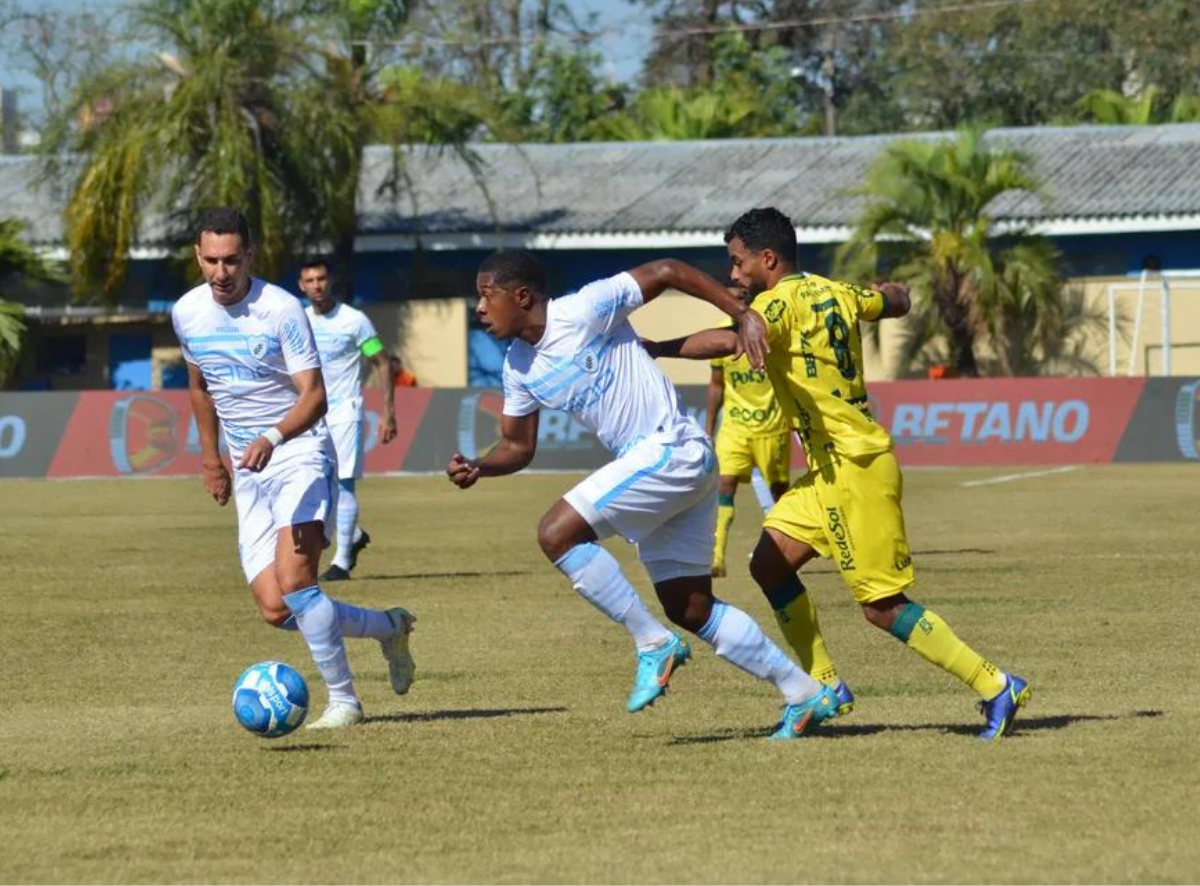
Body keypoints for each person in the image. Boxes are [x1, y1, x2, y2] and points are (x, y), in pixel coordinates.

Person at [649, 207, 1031, 740]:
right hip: (830, 470)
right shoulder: (840, 291)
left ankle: (995, 685)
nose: (733, 276)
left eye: (737, 264)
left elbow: (734, 339)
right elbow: (894, 301)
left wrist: (656, 350)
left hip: (855, 469)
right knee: (768, 566)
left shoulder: (776, 303)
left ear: (767, 259)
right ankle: (826, 684)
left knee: (881, 608)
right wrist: (895, 293)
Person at [446, 249, 840, 739]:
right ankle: (804, 693)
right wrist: (482, 465)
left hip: (668, 447)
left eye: (487, 296)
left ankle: (652, 642)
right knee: (690, 608)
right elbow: (517, 445)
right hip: (669, 464)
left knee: (556, 534)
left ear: (521, 296)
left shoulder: (585, 308)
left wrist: (744, 314)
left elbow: (668, 271)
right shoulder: (518, 368)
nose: (479, 308)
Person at [172, 208, 415, 730]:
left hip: (299, 448)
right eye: (211, 260)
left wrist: (274, 436)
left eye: (232, 260)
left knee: (299, 583)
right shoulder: (187, 313)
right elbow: (199, 387)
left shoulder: (286, 311)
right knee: (276, 608)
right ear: (198, 256)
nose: (221, 272)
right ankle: (388, 627)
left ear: (250, 256)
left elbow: (317, 396)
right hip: (247, 464)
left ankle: (345, 701)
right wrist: (210, 456)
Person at [298, 258, 397, 582]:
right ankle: (353, 535)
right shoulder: (297, 320)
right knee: (312, 483)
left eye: (321, 278)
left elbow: (381, 362)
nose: (316, 285)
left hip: (344, 411)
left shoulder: (355, 321)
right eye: (309, 280)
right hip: (308, 414)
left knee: (343, 481)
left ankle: (341, 561)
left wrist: (388, 412)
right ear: (301, 286)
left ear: (331, 281)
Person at [705, 298, 792, 579]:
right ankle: (716, 557)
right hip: (735, 427)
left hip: (773, 427)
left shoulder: (771, 329)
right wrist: (708, 428)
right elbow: (716, 385)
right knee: (725, 484)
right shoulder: (720, 333)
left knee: (780, 493)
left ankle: (788, 550)